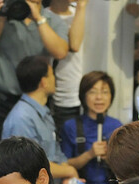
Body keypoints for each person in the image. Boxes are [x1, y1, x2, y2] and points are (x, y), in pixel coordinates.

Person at [0, 0, 69, 184]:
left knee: (29, 166)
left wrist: (39, 18)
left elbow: (61, 51)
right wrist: (0, 17)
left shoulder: (50, 19)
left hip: (35, 99)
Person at [2, 55, 77, 181]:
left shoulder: (44, 112)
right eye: (52, 75)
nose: (55, 79)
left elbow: (56, 155)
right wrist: (69, 171)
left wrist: (67, 177)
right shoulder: (21, 119)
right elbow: (30, 165)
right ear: (44, 82)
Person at [60, 71, 122, 184]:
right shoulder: (71, 126)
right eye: (93, 92)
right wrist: (89, 154)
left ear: (111, 96)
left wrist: (109, 158)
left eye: (105, 92)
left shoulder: (117, 126)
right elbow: (64, 165)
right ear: (83, 96)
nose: (99, 97)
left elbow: (125, 166)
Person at [48, 0, 88, 130]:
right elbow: (74, 45)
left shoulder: (82, 12)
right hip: (61, 97)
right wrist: (81, 5)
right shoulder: (45, 17)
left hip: (85, 93)